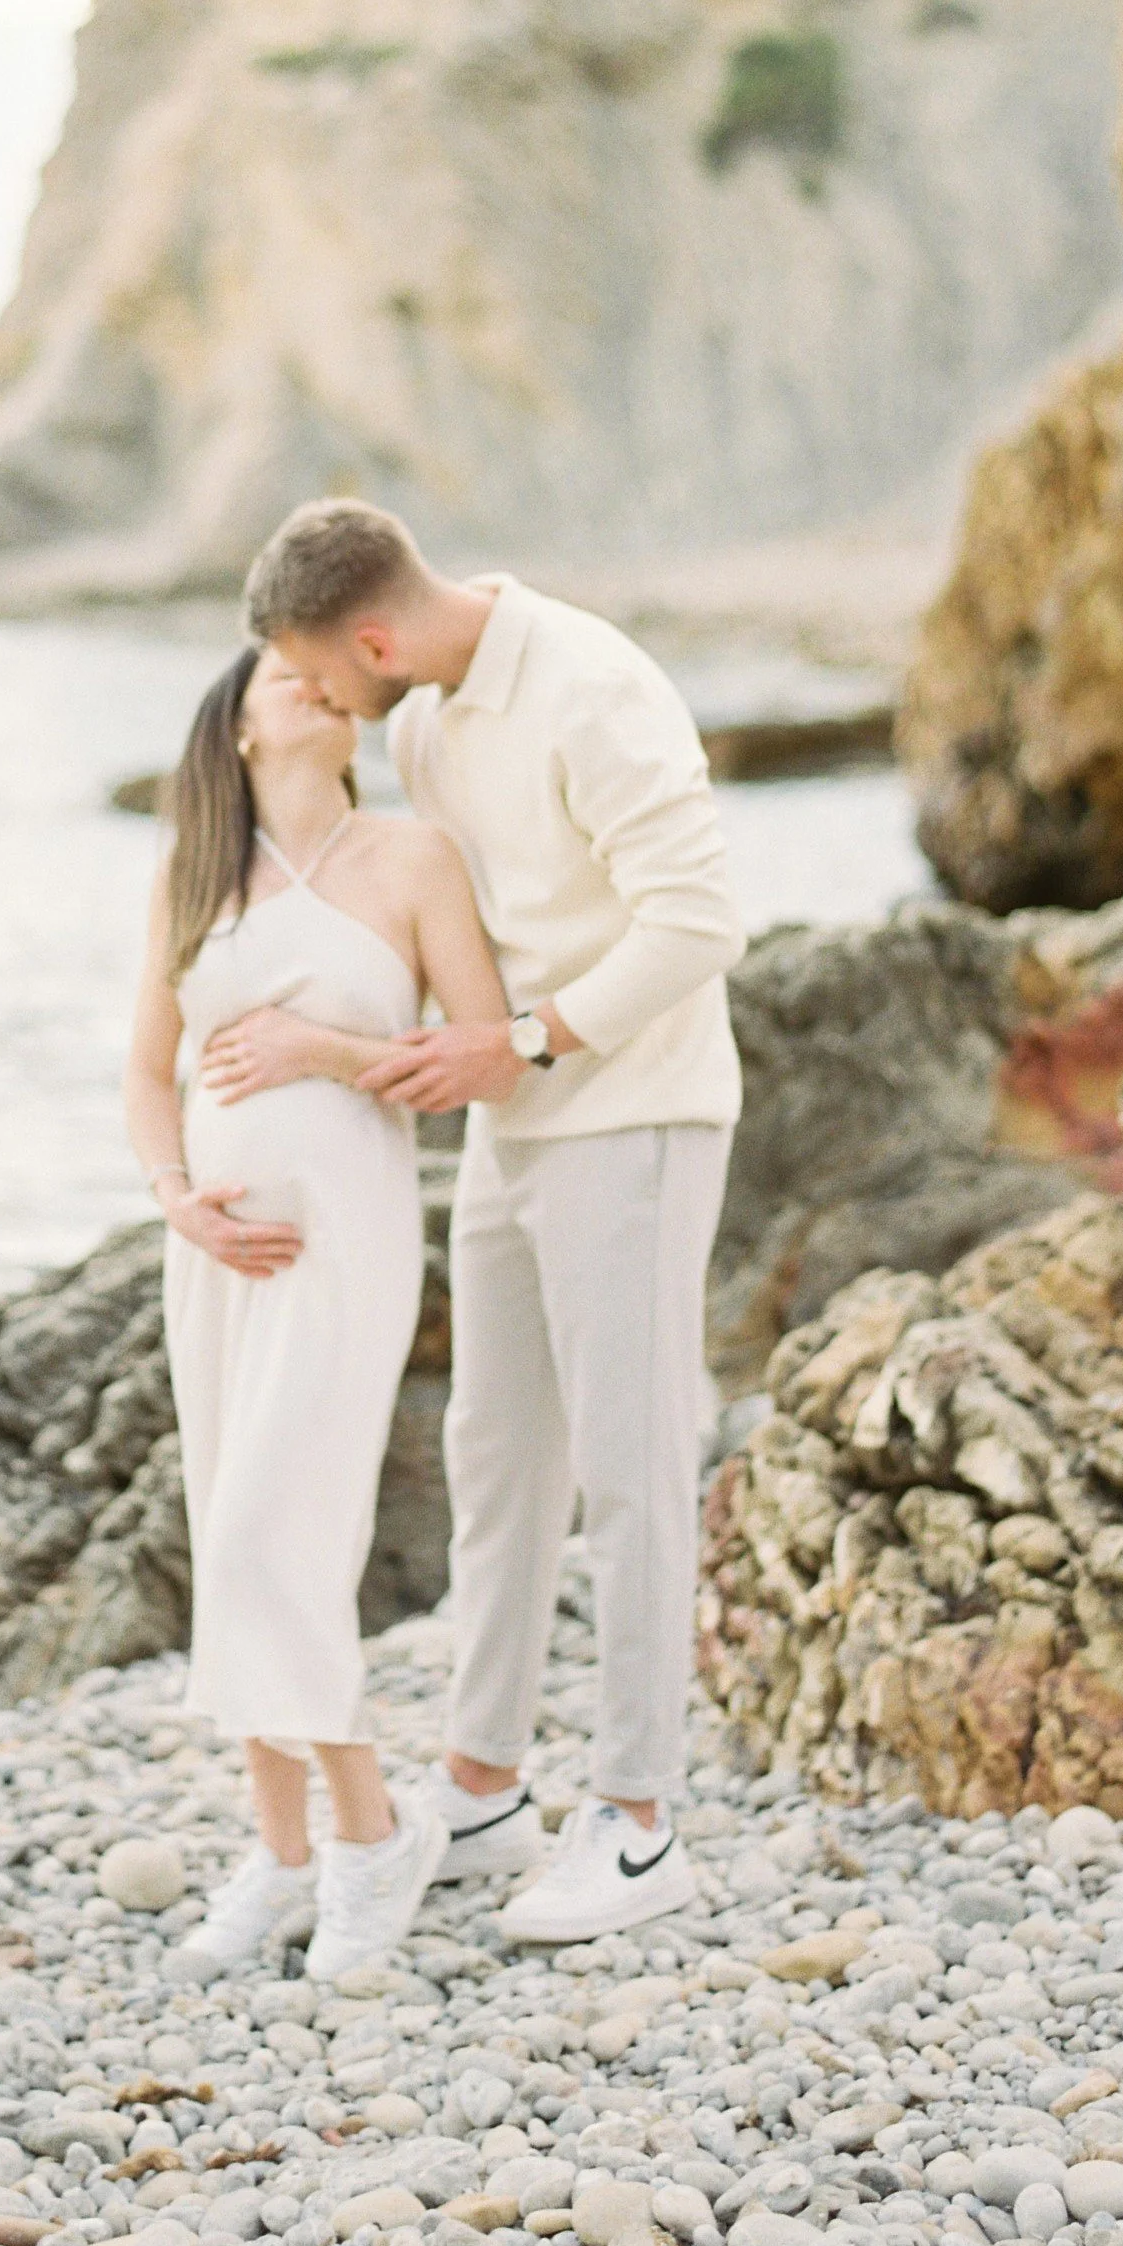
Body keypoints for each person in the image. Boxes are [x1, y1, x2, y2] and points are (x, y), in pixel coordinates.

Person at [239, 498, 744, 1944]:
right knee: (496, 1453)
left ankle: (641, 1821)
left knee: (634, 1462)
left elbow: (702, 921)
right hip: (513, 1123)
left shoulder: (597, 687)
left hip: (633, 1116)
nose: (323, 704)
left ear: (375, 636)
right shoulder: (424, 727)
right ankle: (484, 1783)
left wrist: (520, 1042)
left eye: (323, 675)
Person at [122, 640, 512, 1982]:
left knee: (261, 1538)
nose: (310, 679)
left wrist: (326, 1052)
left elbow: (482, 1056)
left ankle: (370, 1833)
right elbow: (147, 1069)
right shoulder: (192, 875)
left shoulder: (415, 861)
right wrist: (177, 1195)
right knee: (239, 1523)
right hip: (220, 1256)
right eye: (278, 671)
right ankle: (282, 1856)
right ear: (232, 727)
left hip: (343, 1244)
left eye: (320, 670)